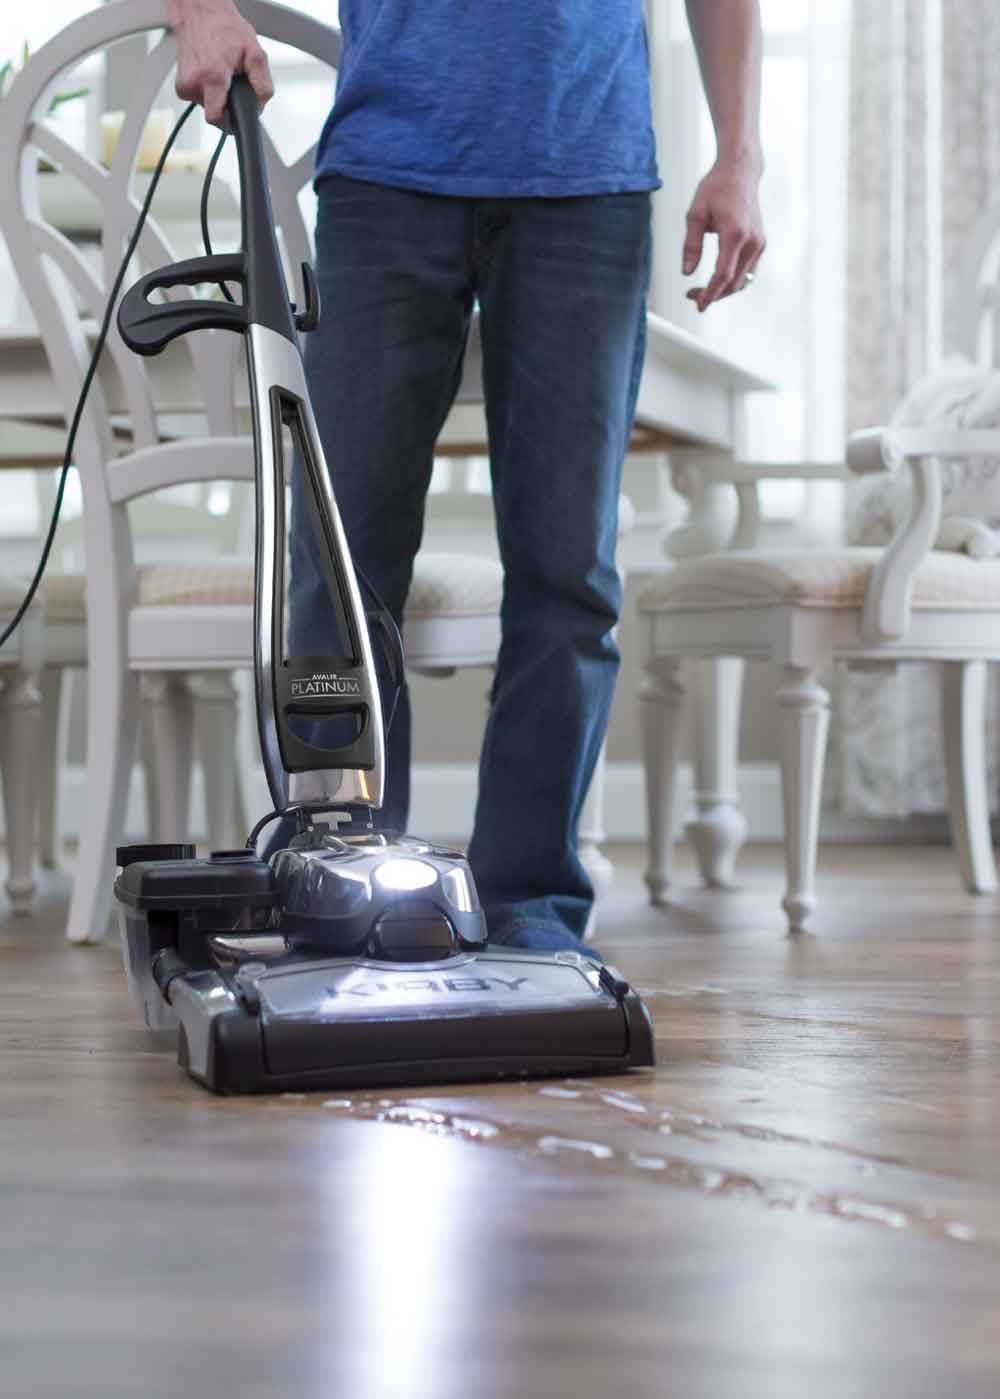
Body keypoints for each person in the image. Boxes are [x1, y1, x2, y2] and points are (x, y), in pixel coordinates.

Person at [168, 0, 765, 954]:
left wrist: (740, 155)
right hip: (387, 179)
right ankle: (340, 885)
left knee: (570, 580)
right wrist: (197, 13)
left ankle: (529, 908)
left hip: (587, 178)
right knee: (337, 569)